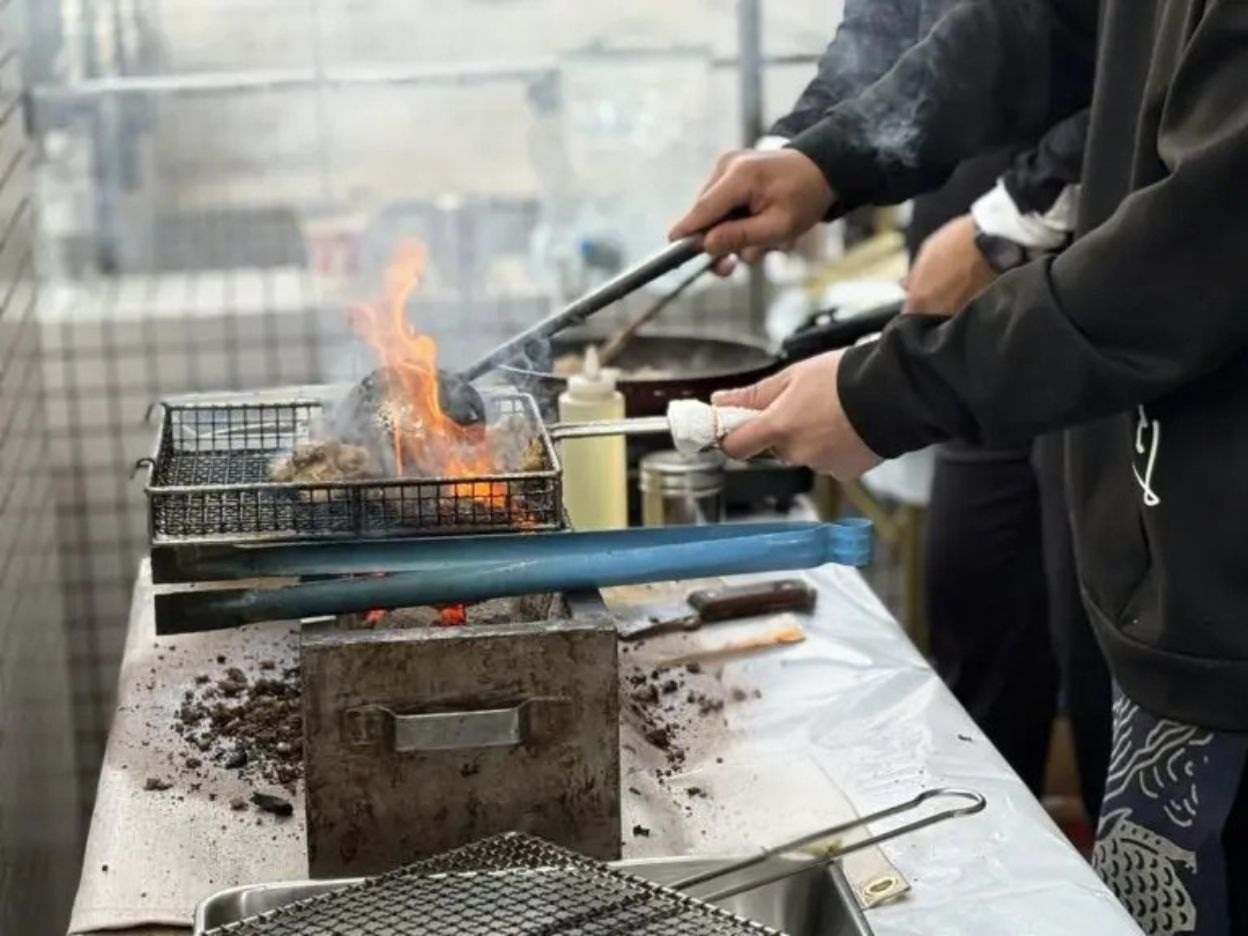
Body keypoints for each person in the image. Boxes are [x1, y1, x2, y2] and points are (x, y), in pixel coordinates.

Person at [672, 1, 1248, 932]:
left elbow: (1187, 262)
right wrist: (830, 156)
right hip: (1157, 537)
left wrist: (893, 390)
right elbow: (1059, 27)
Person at [767, 3, 1110, 822]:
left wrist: (1010, 224)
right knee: (976, 630)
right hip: (964, 322)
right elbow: (890, 37)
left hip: (1096, 322)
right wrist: (802, 155)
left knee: (1101, 662)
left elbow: (1106, 59)